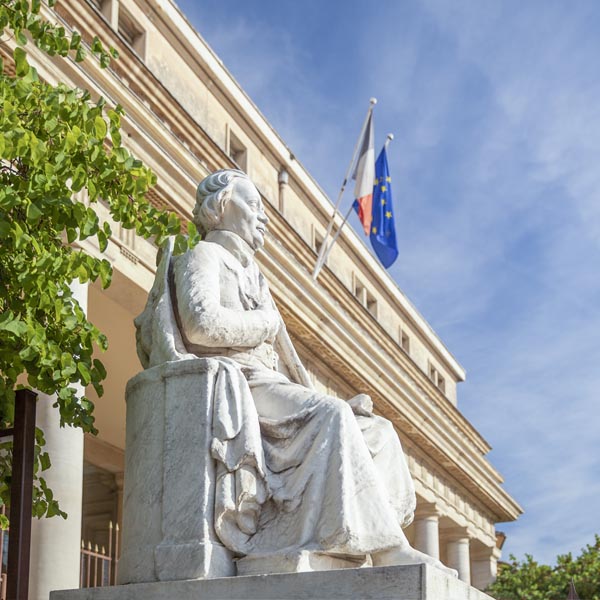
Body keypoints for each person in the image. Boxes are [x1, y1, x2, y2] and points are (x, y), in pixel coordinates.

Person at [135, 168, 456, 575]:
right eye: (253, 204)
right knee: (333, 417)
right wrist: (265, 324)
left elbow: (290, 365)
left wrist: (336, 401)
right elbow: (201, 325)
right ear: (220, 207)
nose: (263, 216)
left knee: (377, 432)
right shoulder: (206, 256)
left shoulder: (256, 275)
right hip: (238, 383)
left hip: (273, 385)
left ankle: (367, 544)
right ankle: (388, 550)